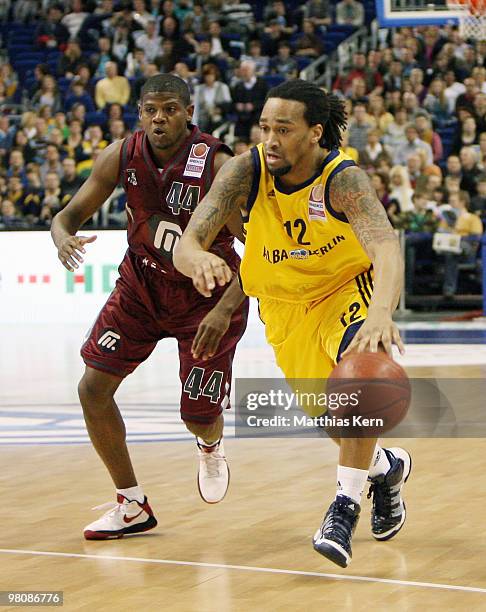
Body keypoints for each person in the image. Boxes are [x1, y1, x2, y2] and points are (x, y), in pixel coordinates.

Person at [174, 79, 412, 569]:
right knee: (337, 423)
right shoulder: (247, 169)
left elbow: (385, 244)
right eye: (265, 127)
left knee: (362, 382)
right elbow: (189, 240)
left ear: (314, 133)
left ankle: (343, 508)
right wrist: (197, 258)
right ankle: (386, 468)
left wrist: (382, 311)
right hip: (283, 309)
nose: (271, 139)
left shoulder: (342, 179)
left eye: (284, 129)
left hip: (344, 291)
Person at [50, 74, 249, 540]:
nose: (160, 118)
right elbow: (66, 216)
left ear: (188, 113)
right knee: (92, 388)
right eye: (151, 110)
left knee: (196, 414)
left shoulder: (219, 163)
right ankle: (132, 503)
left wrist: (223, 311)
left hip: (206, 296)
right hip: (141, 287)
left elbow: (259, 249)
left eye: (170, 109)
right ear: (140, 113)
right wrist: (62, 238)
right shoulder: (121, 153)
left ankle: (210, 442)